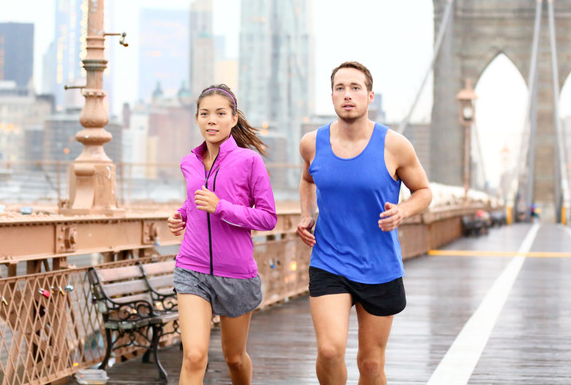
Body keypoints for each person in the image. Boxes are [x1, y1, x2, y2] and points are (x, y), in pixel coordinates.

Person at [297, 62, 432, 385]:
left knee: (370, 364)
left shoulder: (395, 145)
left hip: (379, 264)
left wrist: (402, 211)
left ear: (370, 96)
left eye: (355, 88)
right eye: (340, 88)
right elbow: (306, 179)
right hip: (330, 261)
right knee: (330, 350)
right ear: (331, 97)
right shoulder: (312, 143)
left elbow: (424, 192)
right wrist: (306, 213)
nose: (348, 95)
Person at [168, 84, 277, 385]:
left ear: (233, 119)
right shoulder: (189, 162)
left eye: (220, 113)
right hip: (192, 268)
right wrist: (181, 216)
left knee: (234, 358)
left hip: (236, 274)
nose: (211, 120)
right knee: (194, 356)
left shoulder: (249, 161)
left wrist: (222, 208)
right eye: (205, 114)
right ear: (197, 119)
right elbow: (194, 201)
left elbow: (268, 218)